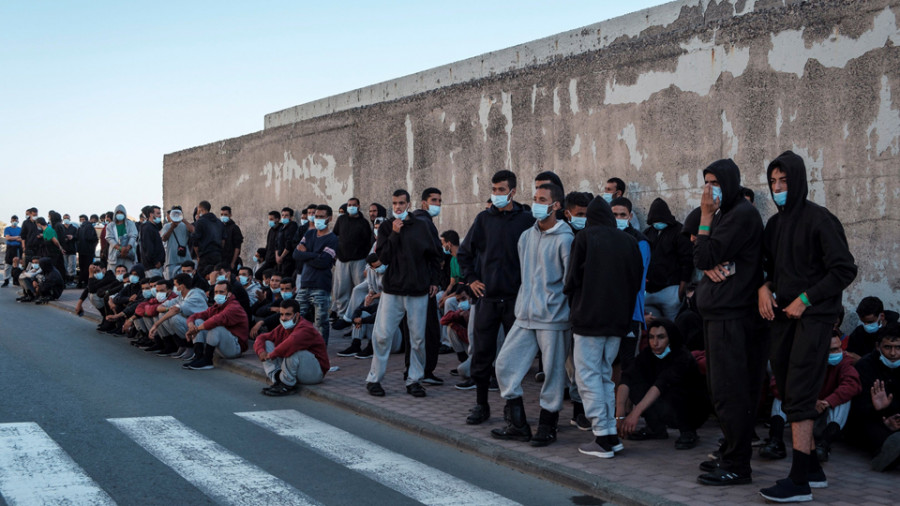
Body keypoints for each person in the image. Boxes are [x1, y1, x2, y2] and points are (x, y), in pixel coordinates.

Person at [757, 151, 858, 503]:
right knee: (786, 389)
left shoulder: (820, 220)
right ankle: (813, 468)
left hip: (814, 318)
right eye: (773, 182)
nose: (778, 188)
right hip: (783, 320)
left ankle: (798, 481)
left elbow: (844, 269)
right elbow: (769, 268)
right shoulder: (774, 224)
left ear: (798, 180)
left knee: (799, 392)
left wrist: (807, 299)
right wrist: (763, 287)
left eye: (784, 181)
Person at [692, 159, 767, 486]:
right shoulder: (726, 213)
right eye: (706, 182)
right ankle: (731, 448)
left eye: (715, 182)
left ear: (731, 183)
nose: (709, 191)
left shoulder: (740, 215)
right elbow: (701, 252)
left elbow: (704, 255)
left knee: (731, 389)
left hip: (734, 317)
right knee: (720, 388)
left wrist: (706, 220)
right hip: (718, 314)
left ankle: (739, 463)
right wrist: (706, 255)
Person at [491, 183, 573, 447]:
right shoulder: (526, 236)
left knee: (553, 374)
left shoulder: (565, 239)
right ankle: (518, 423)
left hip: (553, 318)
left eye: (543, 199)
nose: (537, 203)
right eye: (535, 198)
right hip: (525, 315)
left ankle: (548, 426)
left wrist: (559, 309)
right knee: (504, 364)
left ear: (556, 205)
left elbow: (570, 282)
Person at [565, 196, 643, 459]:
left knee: (587, 376)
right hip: (617, 322)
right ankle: (610, 434)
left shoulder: (585, 238)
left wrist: (575, 303)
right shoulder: (629, 242)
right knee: (605, 376)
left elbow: (572, 279)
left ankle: (602, 437)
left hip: (588, 319)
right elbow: (636, 281)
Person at [457, 170, 536, 424]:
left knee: (514, 356)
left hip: (515, 300)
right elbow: (464, 253)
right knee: (481, 353)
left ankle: (513, 407)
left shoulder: (527, 220)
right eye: (494, 189)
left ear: (513, 191)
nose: (497, 194)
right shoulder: (483, 220)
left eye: (502, 190)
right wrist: (471, 280)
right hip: (487, 299)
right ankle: (481, 405)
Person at [365, 189, 442, 398]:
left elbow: (435, 254)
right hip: (393, 291)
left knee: (417, 339)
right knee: (382, 336)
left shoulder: (422, 226)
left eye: (401, 203)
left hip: (417, 291)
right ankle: (374, 379)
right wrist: (394, 234)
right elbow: (384, 257)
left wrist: (435, 280)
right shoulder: (387, 227)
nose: (398, 207)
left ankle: (414, 380)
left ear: (408, 204)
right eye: (394, 203)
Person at [760, 334, 861, 464]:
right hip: (802, 408)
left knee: (845, 399)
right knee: (781, 396)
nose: (837, 353)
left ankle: (824, 445)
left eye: (838, 348)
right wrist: (807, 401)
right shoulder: (801, 360)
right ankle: (775, 441)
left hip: (825, 411)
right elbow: (777, 384)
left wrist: (828, 402)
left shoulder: (844, 362)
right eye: (831, 350)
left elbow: (852, 385)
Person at [615, 319, 709, 449]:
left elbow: (661, 384)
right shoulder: (648, 353)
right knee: (636, 384)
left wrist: (634, 413)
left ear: (670, 338)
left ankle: (688, 431)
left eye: (661, 337)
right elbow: (627, 377)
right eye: (651, 337)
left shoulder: (682, 356)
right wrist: (620, 413)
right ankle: (655, 428)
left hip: (693, 408)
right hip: (665, 403)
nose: (655, 343)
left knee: (674, 390)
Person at [848, 323, 900, 472]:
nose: (893, 353)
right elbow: (856, 407)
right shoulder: (865, 366)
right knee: (874, 432)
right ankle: (885, 455)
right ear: (878, 347)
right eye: (888, 347)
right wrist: (879, 412)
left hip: (896, 419)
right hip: (872, 420)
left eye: (898, 347)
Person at [255, 299, 331, 396]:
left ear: (297, 315)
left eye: (288, 314)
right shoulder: (283, 327)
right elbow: (262, 337)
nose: (283, 318)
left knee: (294, 351)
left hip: (314, 373)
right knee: (266, 343)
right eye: (281, 314)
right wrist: (261, 351)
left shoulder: (305, 328)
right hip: (296, 370)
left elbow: (291, 343)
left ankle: (286, 385)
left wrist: (271, 355)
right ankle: (278, 379)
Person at [409, 187, 446, 385]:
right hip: (424, 284)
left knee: (413, 329)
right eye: (434, 200)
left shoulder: (413, 221)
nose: (437, 204)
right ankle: (426, 370)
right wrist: (434, 279)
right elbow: (435, 254)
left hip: (412, 284)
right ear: (424, 202)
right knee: (430, 330)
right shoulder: (425, 223)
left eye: (440, 201)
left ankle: (413, 369)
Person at [611, 197, 651, 374]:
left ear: (630, 216)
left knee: (627, 363)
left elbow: (635, 276)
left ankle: (624, 402)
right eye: (614, 215)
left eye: (622, 215)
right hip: (608, 312)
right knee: (610, 362)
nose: (618, 218)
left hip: (631, 313)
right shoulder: (604, 237)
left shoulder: (640, 241)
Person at [293, 204, 338, 343]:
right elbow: (296, 254)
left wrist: (306, 254)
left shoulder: (332, 239)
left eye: (321, 217)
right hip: (305, 284)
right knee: (298, 320)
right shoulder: (309, 233)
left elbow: (324, 262)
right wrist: (315, 255)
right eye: (316, 216)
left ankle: (321, 354)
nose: (317, 219)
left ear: (329, 218)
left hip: (321, 286)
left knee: (321, 323)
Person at [644, 198, 693, 321]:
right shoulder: (648, 233)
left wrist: (680, 292)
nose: (658, 223)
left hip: (671, 291)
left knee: (672, 328)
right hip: (649, 292)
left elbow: (687, 262)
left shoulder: (679, 231)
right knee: (654, 329)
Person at [184, 280, 249, 370]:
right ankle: (198, 357)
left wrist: (196, 330)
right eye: (216, 292)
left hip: (234, 348)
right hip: (221, 346)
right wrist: (191, 325)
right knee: (198, 321)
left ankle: (207, 360)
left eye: (221, 292)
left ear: (229, 294)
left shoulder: (234, 307)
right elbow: (196, 316)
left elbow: (216, 320)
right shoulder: (217, 305)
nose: (218, 294)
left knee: (216, 327)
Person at [331, 197, 373, 317]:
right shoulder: (341, 220)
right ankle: (342, 314)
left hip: (359, 260)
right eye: (349, 205)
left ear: (359, 206)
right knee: (341, 289)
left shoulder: (364, 223)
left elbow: (367, 242)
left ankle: (357, 315)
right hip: (342, 260)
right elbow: (335, 236)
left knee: (359, 289)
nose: (351, 207)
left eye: (353, 205)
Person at [846, 296, 898, 361]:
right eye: (863, 322)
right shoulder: (858, 333)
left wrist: (861, 361)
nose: (866, 326)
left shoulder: (896, 332)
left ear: (881, 316)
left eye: (870, 322)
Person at [191, 200, 224, 273]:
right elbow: (223, 240)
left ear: (200, 209)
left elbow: (195, 241)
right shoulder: (219, 222)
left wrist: (198, 255)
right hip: (217, 255)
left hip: (205, 256)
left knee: (203, 276)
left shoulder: (200, 222)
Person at [106, 205, 138, 270]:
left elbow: (133, 236)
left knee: (129, 273)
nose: (119, 214)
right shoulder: (110, 226)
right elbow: (109, 238)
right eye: (118, 213)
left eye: (121, 213)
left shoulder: (131, 224)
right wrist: (120, 248)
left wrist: (127, 248)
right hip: (115, 255)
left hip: (129, 254)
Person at [139, 205, 165, 278]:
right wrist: (156, 261)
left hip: (157, 266)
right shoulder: (147, 228)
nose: (160, 216)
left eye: (160, 214)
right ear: (151, 214)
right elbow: (148, 247)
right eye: (157, 213)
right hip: (153, 267)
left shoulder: (154, 227)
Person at [75, 214, 99, 288]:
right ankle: (86, 282)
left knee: (82, 267)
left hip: (81, 250)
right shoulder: (90, 227)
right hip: (88, 250)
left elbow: (77, 238)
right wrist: (96, 239)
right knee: (87, 267)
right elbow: (90, 237)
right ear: (94, 219)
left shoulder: (80, 227)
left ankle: (80, 282)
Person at [256, 210, 282, 280]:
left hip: (275, 260)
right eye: (269, 219)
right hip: (269, 259)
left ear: (277, 219)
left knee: (259, 274)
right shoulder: (271, 230)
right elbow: (268, 245)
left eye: (271, 219)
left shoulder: (281, 230)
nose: (270, 221)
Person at [276, 207, 299, 277]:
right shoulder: (281, 227)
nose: (284, 217)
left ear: (291, 217)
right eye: (282, 215)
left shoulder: (293, 226)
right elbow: (276, 243)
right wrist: (277, 256)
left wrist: (282, 256)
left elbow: (289, 244)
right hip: (280, 259)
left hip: (288, 259)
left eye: (286, 215)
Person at [3, 215, 22, 287]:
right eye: (13, 220)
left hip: (18, 248)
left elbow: (21, 239)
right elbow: (8, 238)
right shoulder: (7, 229)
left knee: (17, 264)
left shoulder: (20, 229)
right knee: (8, 264)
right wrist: (17, 237)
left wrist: (13, 237)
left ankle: (15, 280)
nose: (15, 222)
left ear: (18, 221)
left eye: (16, 220)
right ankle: (6, 280)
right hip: (10, 248)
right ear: (11, 221)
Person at [60, 214, 78, 283]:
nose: (66, 219)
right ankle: (66, 278)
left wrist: (72, 237)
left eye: (67, 218)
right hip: (63, 249)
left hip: (72, 249)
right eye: (64, 218)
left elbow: (77, 237)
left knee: (72, 265)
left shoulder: (74, 228)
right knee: (64, 265)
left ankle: (71, 279)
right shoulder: (61, 228)